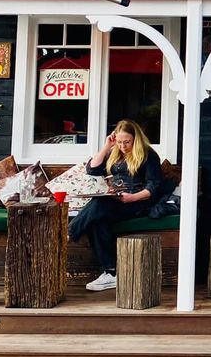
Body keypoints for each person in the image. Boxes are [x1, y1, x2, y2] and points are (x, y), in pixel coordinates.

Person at [68, 119, 172, 291]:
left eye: (127, 142)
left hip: (138, 202)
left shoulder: (148, 155)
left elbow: (153, 187)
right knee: (97, 219)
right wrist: (107, 146)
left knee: (100, 204)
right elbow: (92, 170)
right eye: (119, 142)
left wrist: (133, 197)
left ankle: (70, 232)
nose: (123, 146)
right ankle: (111, 273)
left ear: (135, 139)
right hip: (116, 201)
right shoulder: (115, 153)